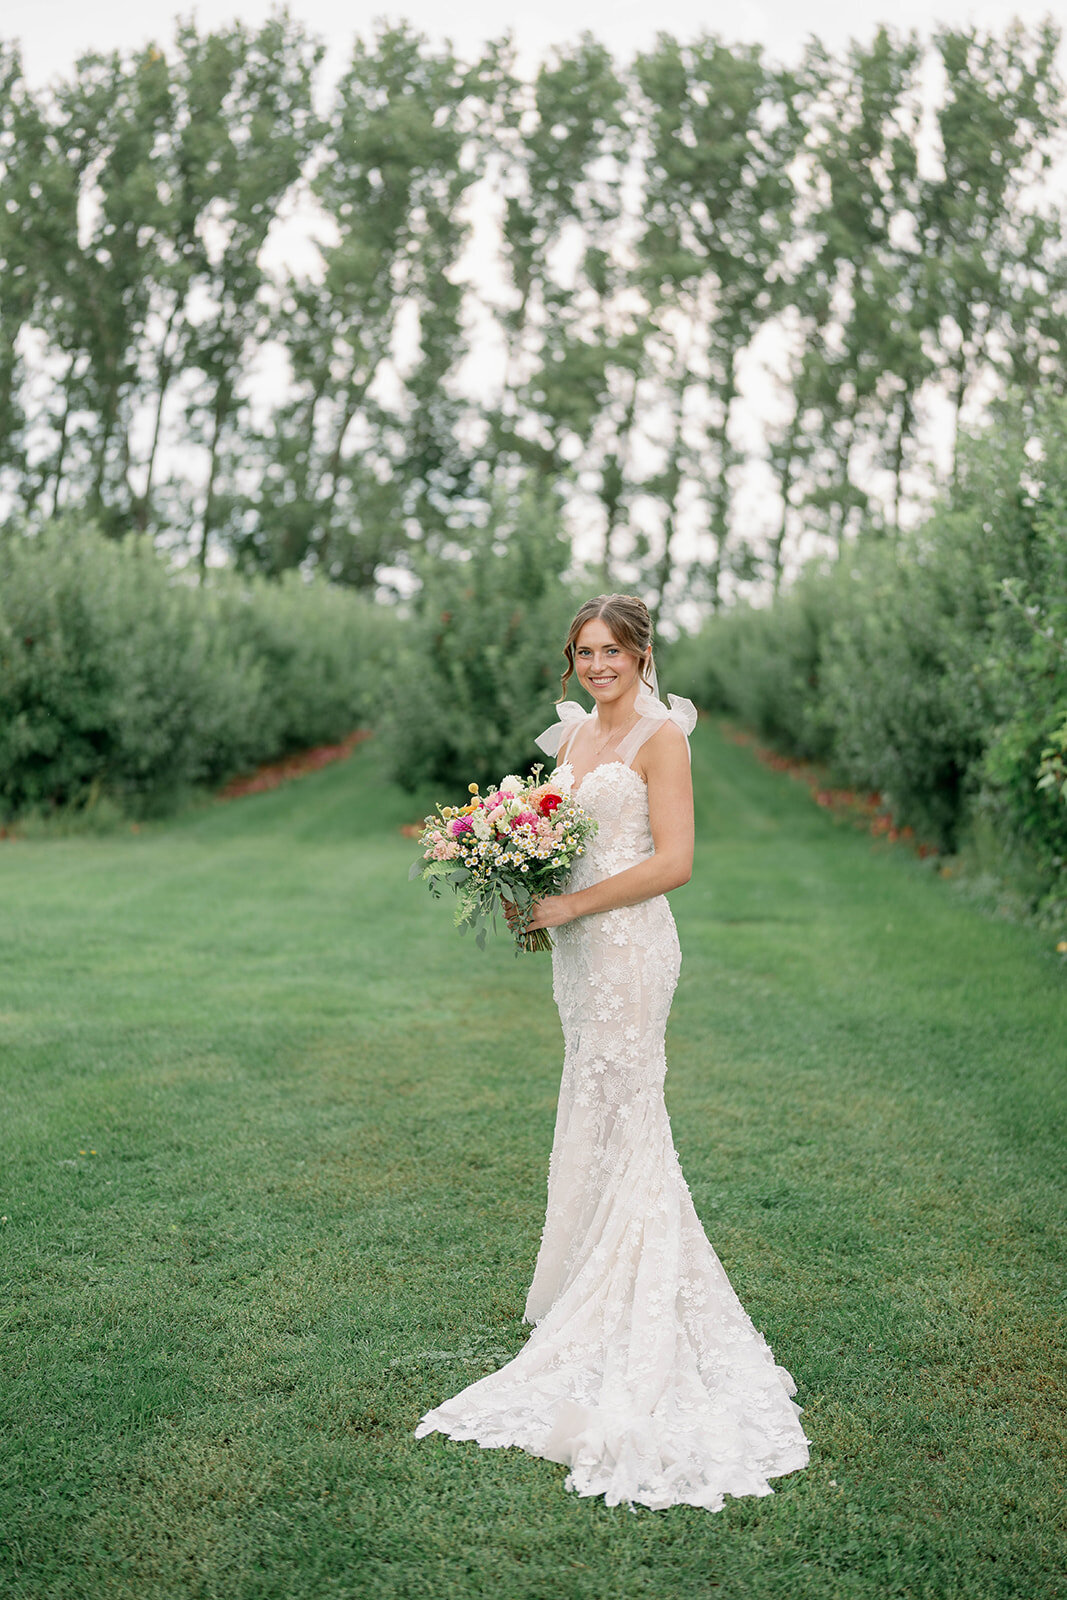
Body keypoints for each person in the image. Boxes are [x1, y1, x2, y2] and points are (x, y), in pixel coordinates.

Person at [415, 594, 811, 1512]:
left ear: (641, 654)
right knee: (589, 1108)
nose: (597, 666)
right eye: (583, 653)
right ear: (572, 661)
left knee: (630, 1113)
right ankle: (588, 1276)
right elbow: (563, 845)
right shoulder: (568, 742)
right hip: (579, 954)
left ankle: (631, 1300)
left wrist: (573, 906)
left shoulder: (659, 738)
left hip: (631, 949)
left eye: (612, 652)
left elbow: (674, 861)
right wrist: (523, 881)